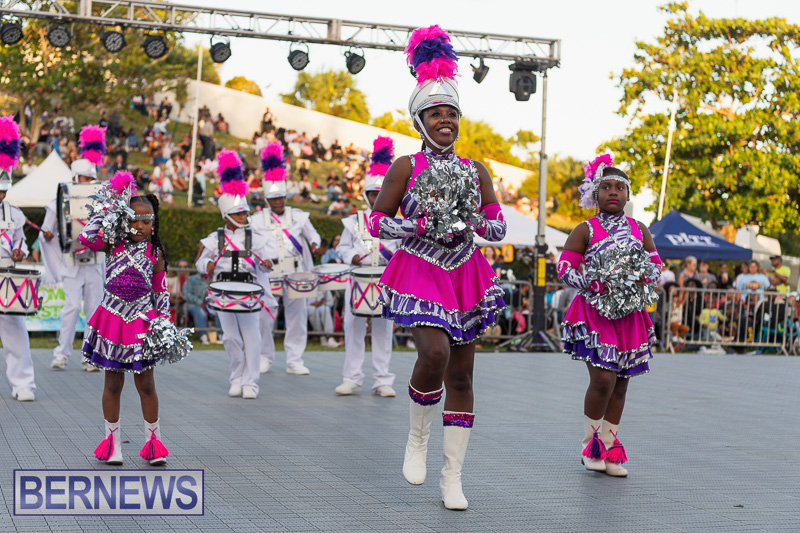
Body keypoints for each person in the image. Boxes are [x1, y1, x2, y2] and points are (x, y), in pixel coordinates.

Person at [367, 27, 506, 510]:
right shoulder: (405, 165)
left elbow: (497, 225)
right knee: (434, 356)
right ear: (419, 121)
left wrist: (478, 222)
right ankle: (417, 438)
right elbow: (377, 220)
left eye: (451, 113)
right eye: (435, 114)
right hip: (421, 266)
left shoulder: (476, 169)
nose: (445, 120)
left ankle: (453, 477)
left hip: (464, 271)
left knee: (463, 378)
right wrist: (411, 227)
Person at [558, 154, 661, 478]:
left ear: (628, 195)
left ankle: (611, 447)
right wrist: (592, 281)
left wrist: (643, 277)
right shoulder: (585, 229)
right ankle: (591, 446)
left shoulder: (639, 229)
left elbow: (656, 265)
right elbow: (564, 267)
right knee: (603, 379)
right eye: (606, 187)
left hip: (629, 314)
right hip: (595, 313)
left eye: (619, 187)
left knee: (621, 384)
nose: (613, 192)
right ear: (595, 193)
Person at [80, 173, 191, 465]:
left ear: (153, 223)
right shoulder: (111, 245)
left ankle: (153, 444)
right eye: (133, 219)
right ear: (122, 219)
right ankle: (112, 444)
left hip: (142, 322)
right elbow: (85, 237)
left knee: (147, 385)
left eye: (146, 221)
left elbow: (161, 291)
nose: (140, 226)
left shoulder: (156, 252)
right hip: (112, 319)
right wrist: (109, 207)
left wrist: (163, 323)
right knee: (113, 384)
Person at [195, 150, 276, 399]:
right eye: (240, 213)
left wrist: (266, 263)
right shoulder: (215, 238)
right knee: (230, 337)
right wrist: (205, 267)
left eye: (245, 213)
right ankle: (236, 377)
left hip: (249, 293)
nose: (244, 216)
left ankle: (251, 383)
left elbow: (267, 263)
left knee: (252, 337)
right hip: (222, 293)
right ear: (227, 216)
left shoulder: (256, 238)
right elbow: (200, 260)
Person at [334, 137, 401, 398]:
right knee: (353, 329)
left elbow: (402, 250)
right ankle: (351, 378)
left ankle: (383, 380)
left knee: (384, 331)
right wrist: (351, 257)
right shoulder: (353, 221)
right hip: (358, 282)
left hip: (384, 283)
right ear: (366, 195)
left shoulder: (396, 222)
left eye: (381, 193)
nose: (377, 198)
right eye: (373, 194)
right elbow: (341, 248)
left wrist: (392, 256)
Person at [42, 126, 107, 372]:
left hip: (93, 262)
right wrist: (48, 235)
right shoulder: (57, 201)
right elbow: (47, 231)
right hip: (71, 260)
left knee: (93, 309)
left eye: (91, 179)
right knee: (70, 308)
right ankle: (61, 354)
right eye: (84, 179)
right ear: (75, 178)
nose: (88, 183)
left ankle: (90, 356)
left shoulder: (102, 202)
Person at [252, 142, 321, 376]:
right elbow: (249, 243)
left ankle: (294, 360)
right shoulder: (257, 219)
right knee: (265, 316)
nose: (278, 202)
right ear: (267, 200)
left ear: (285, 196)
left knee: (298, 316)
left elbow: (314, 235)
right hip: (268, 272)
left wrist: (315, 244)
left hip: (295, 271)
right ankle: (264, 356)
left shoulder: (299, 216)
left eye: (281, 197)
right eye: (274, 199)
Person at [0, 116, 36, 401]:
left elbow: (21, 241)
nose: (1, 194)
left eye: (3, 190)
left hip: (6, 274)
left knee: (14, 328)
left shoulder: (15, 213)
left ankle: (23, 382)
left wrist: (19, 250)